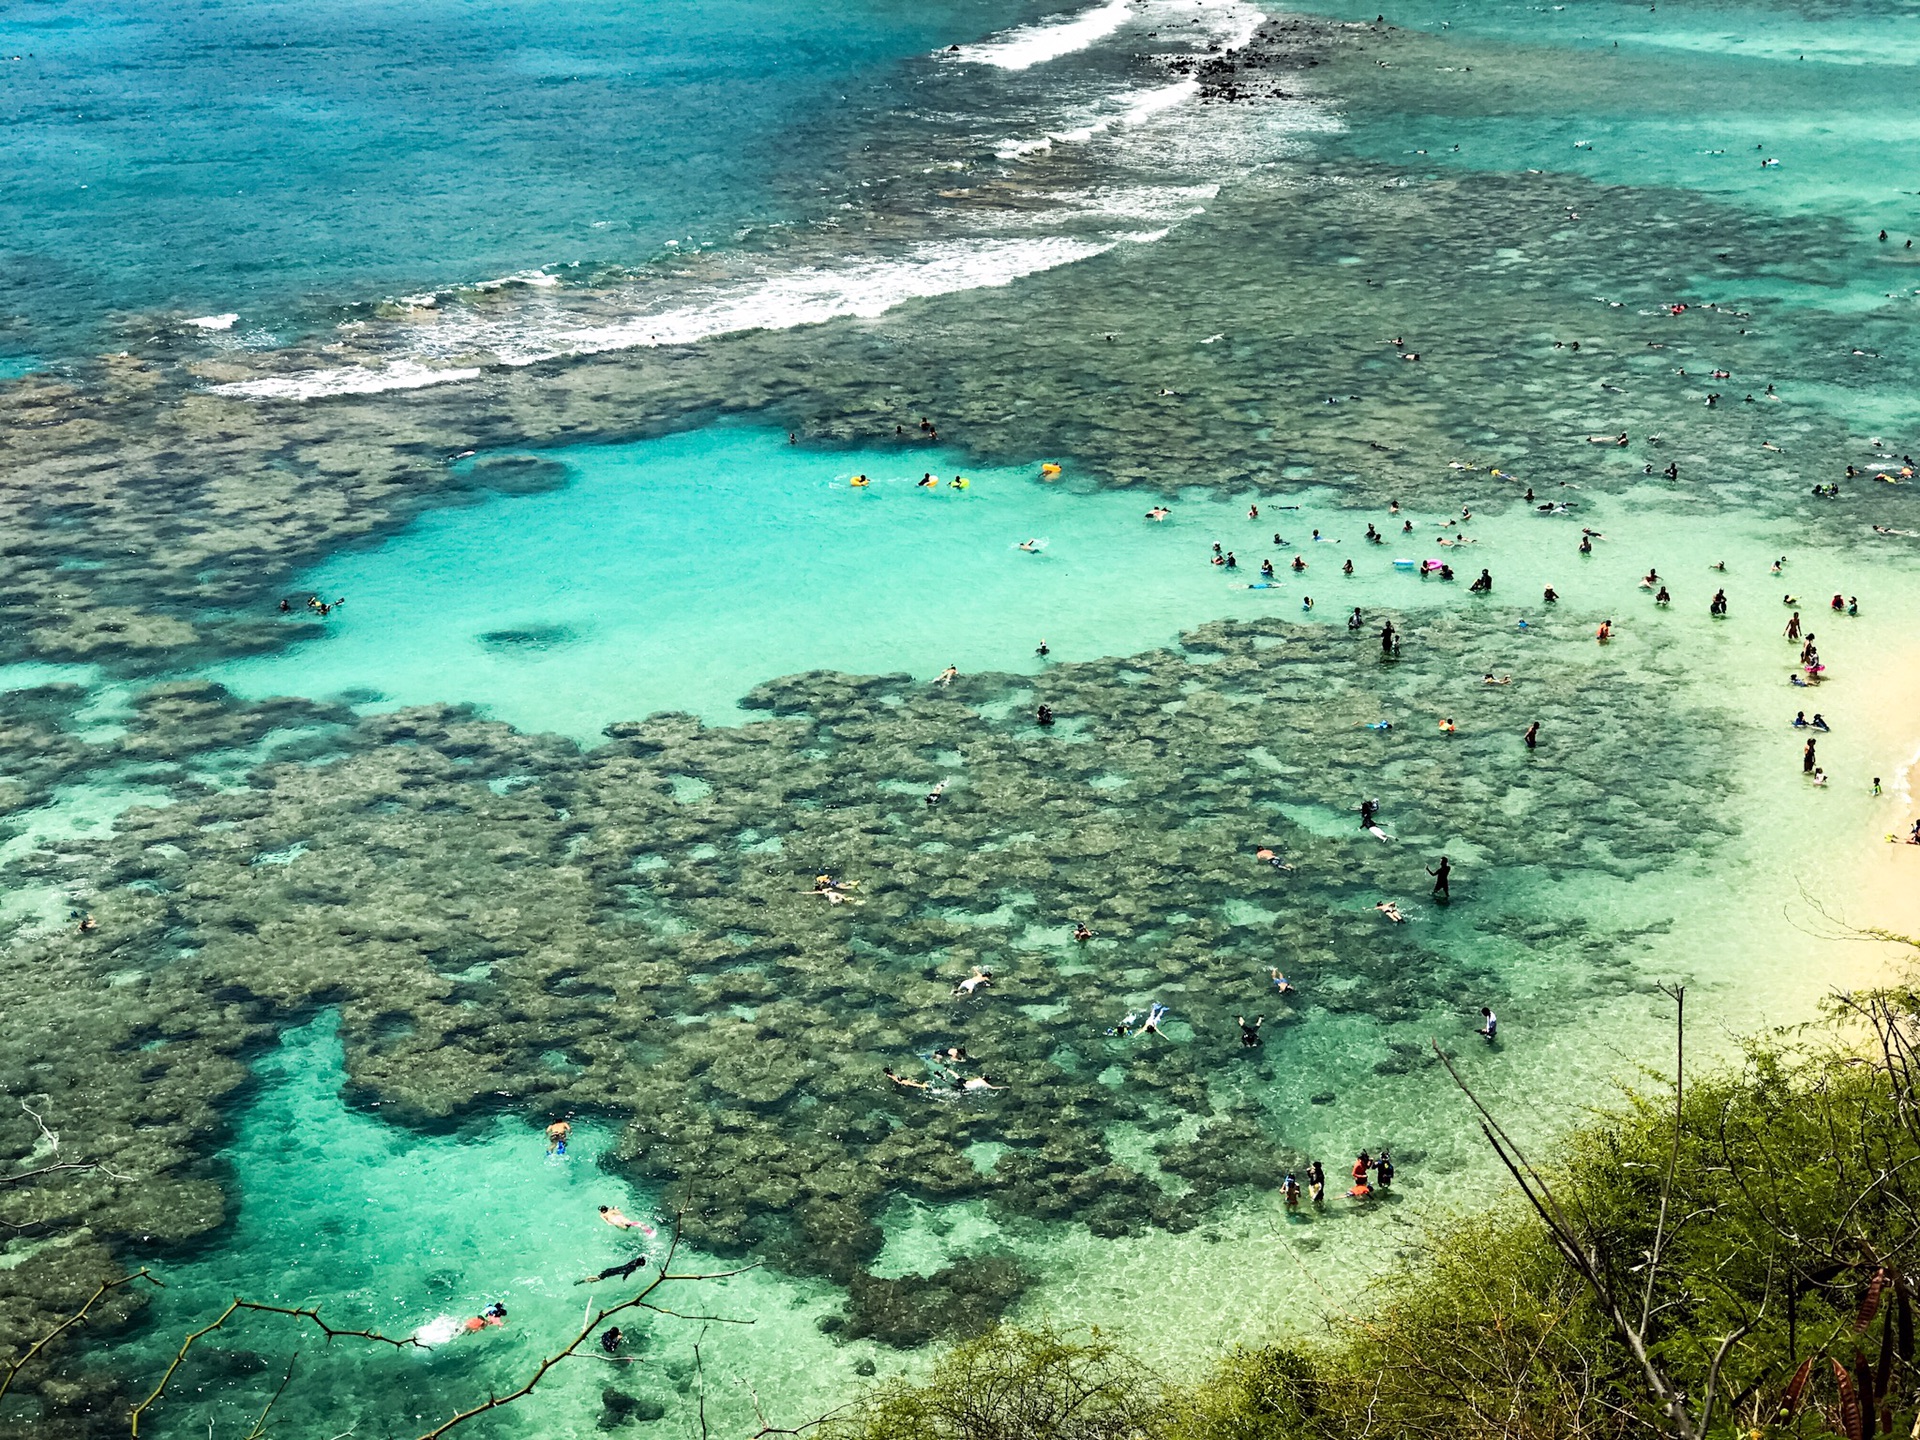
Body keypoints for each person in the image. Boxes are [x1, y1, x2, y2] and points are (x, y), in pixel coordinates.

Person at [578, 1254, 649, 1286]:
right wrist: (625, 1278)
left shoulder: (633, 1262)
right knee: (598, 1278)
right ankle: (584, 1281)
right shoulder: (633, 1267)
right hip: (611, 1272)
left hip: (611, 1270)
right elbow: (626, 1273)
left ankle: (584, 1280)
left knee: (598, 1277)